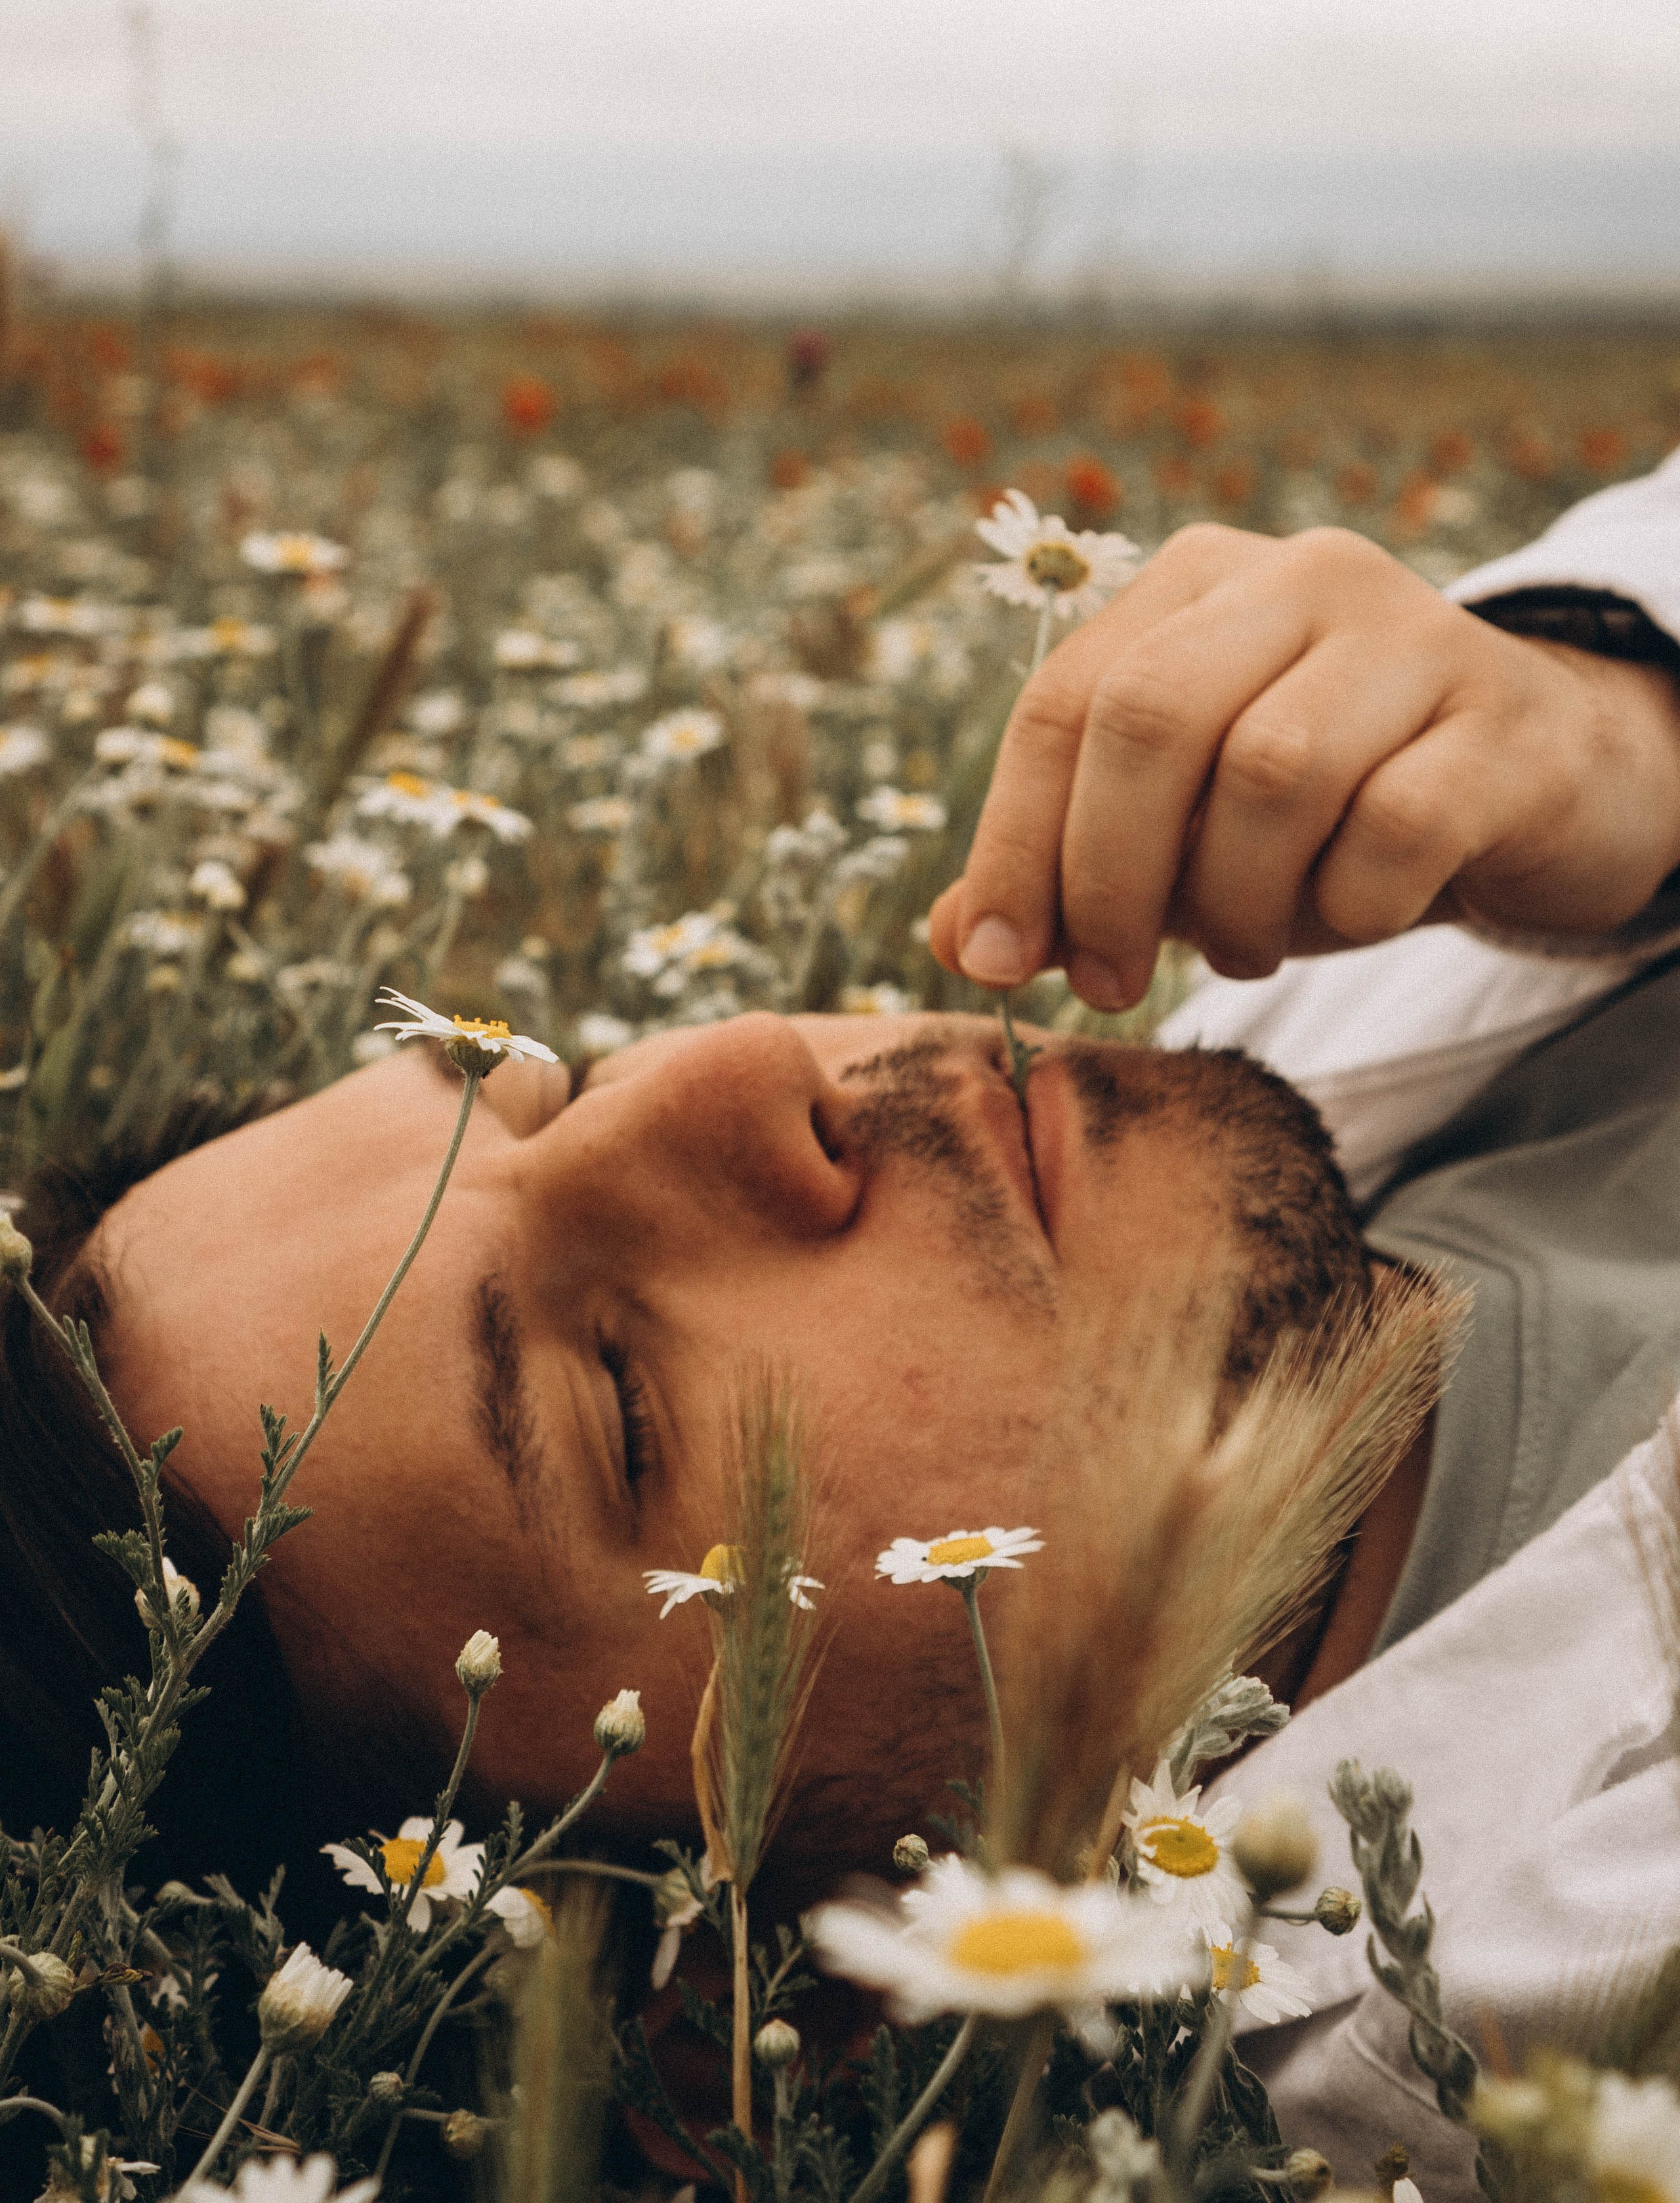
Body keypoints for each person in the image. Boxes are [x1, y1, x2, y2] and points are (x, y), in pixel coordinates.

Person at [6, 452, 1680, 2177]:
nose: (734, 1069)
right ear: (733, 2028)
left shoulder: (1431, 906)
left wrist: (1617, 706)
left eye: (551, 1096)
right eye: (625, 1400)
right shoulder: (1596, 2022)